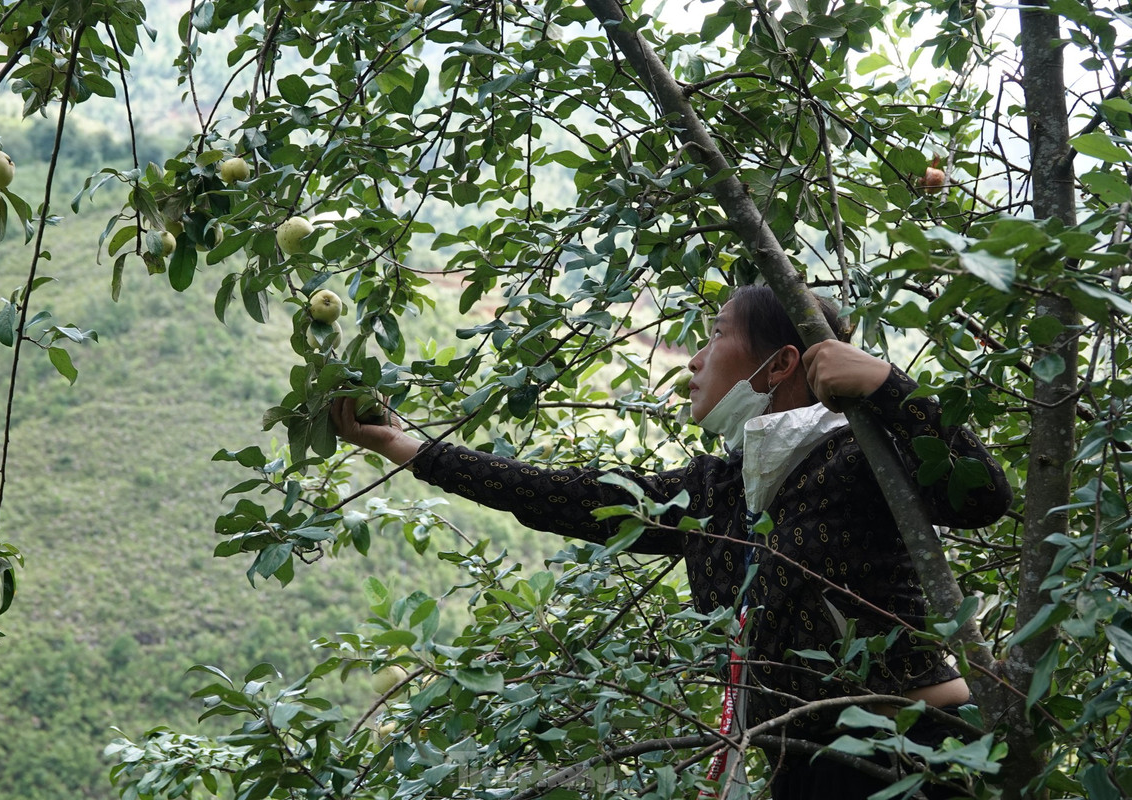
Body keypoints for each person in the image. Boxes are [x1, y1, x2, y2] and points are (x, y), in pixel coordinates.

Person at [330, 285, 1013, 799]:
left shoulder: (858, 455)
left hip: (915, 755)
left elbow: (982, 495)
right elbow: (565, 496)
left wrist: (888, 385)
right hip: (801, 769)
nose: (693, 359)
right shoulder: (721, 489)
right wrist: (406, 446)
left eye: (716, 334)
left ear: (780, 364)